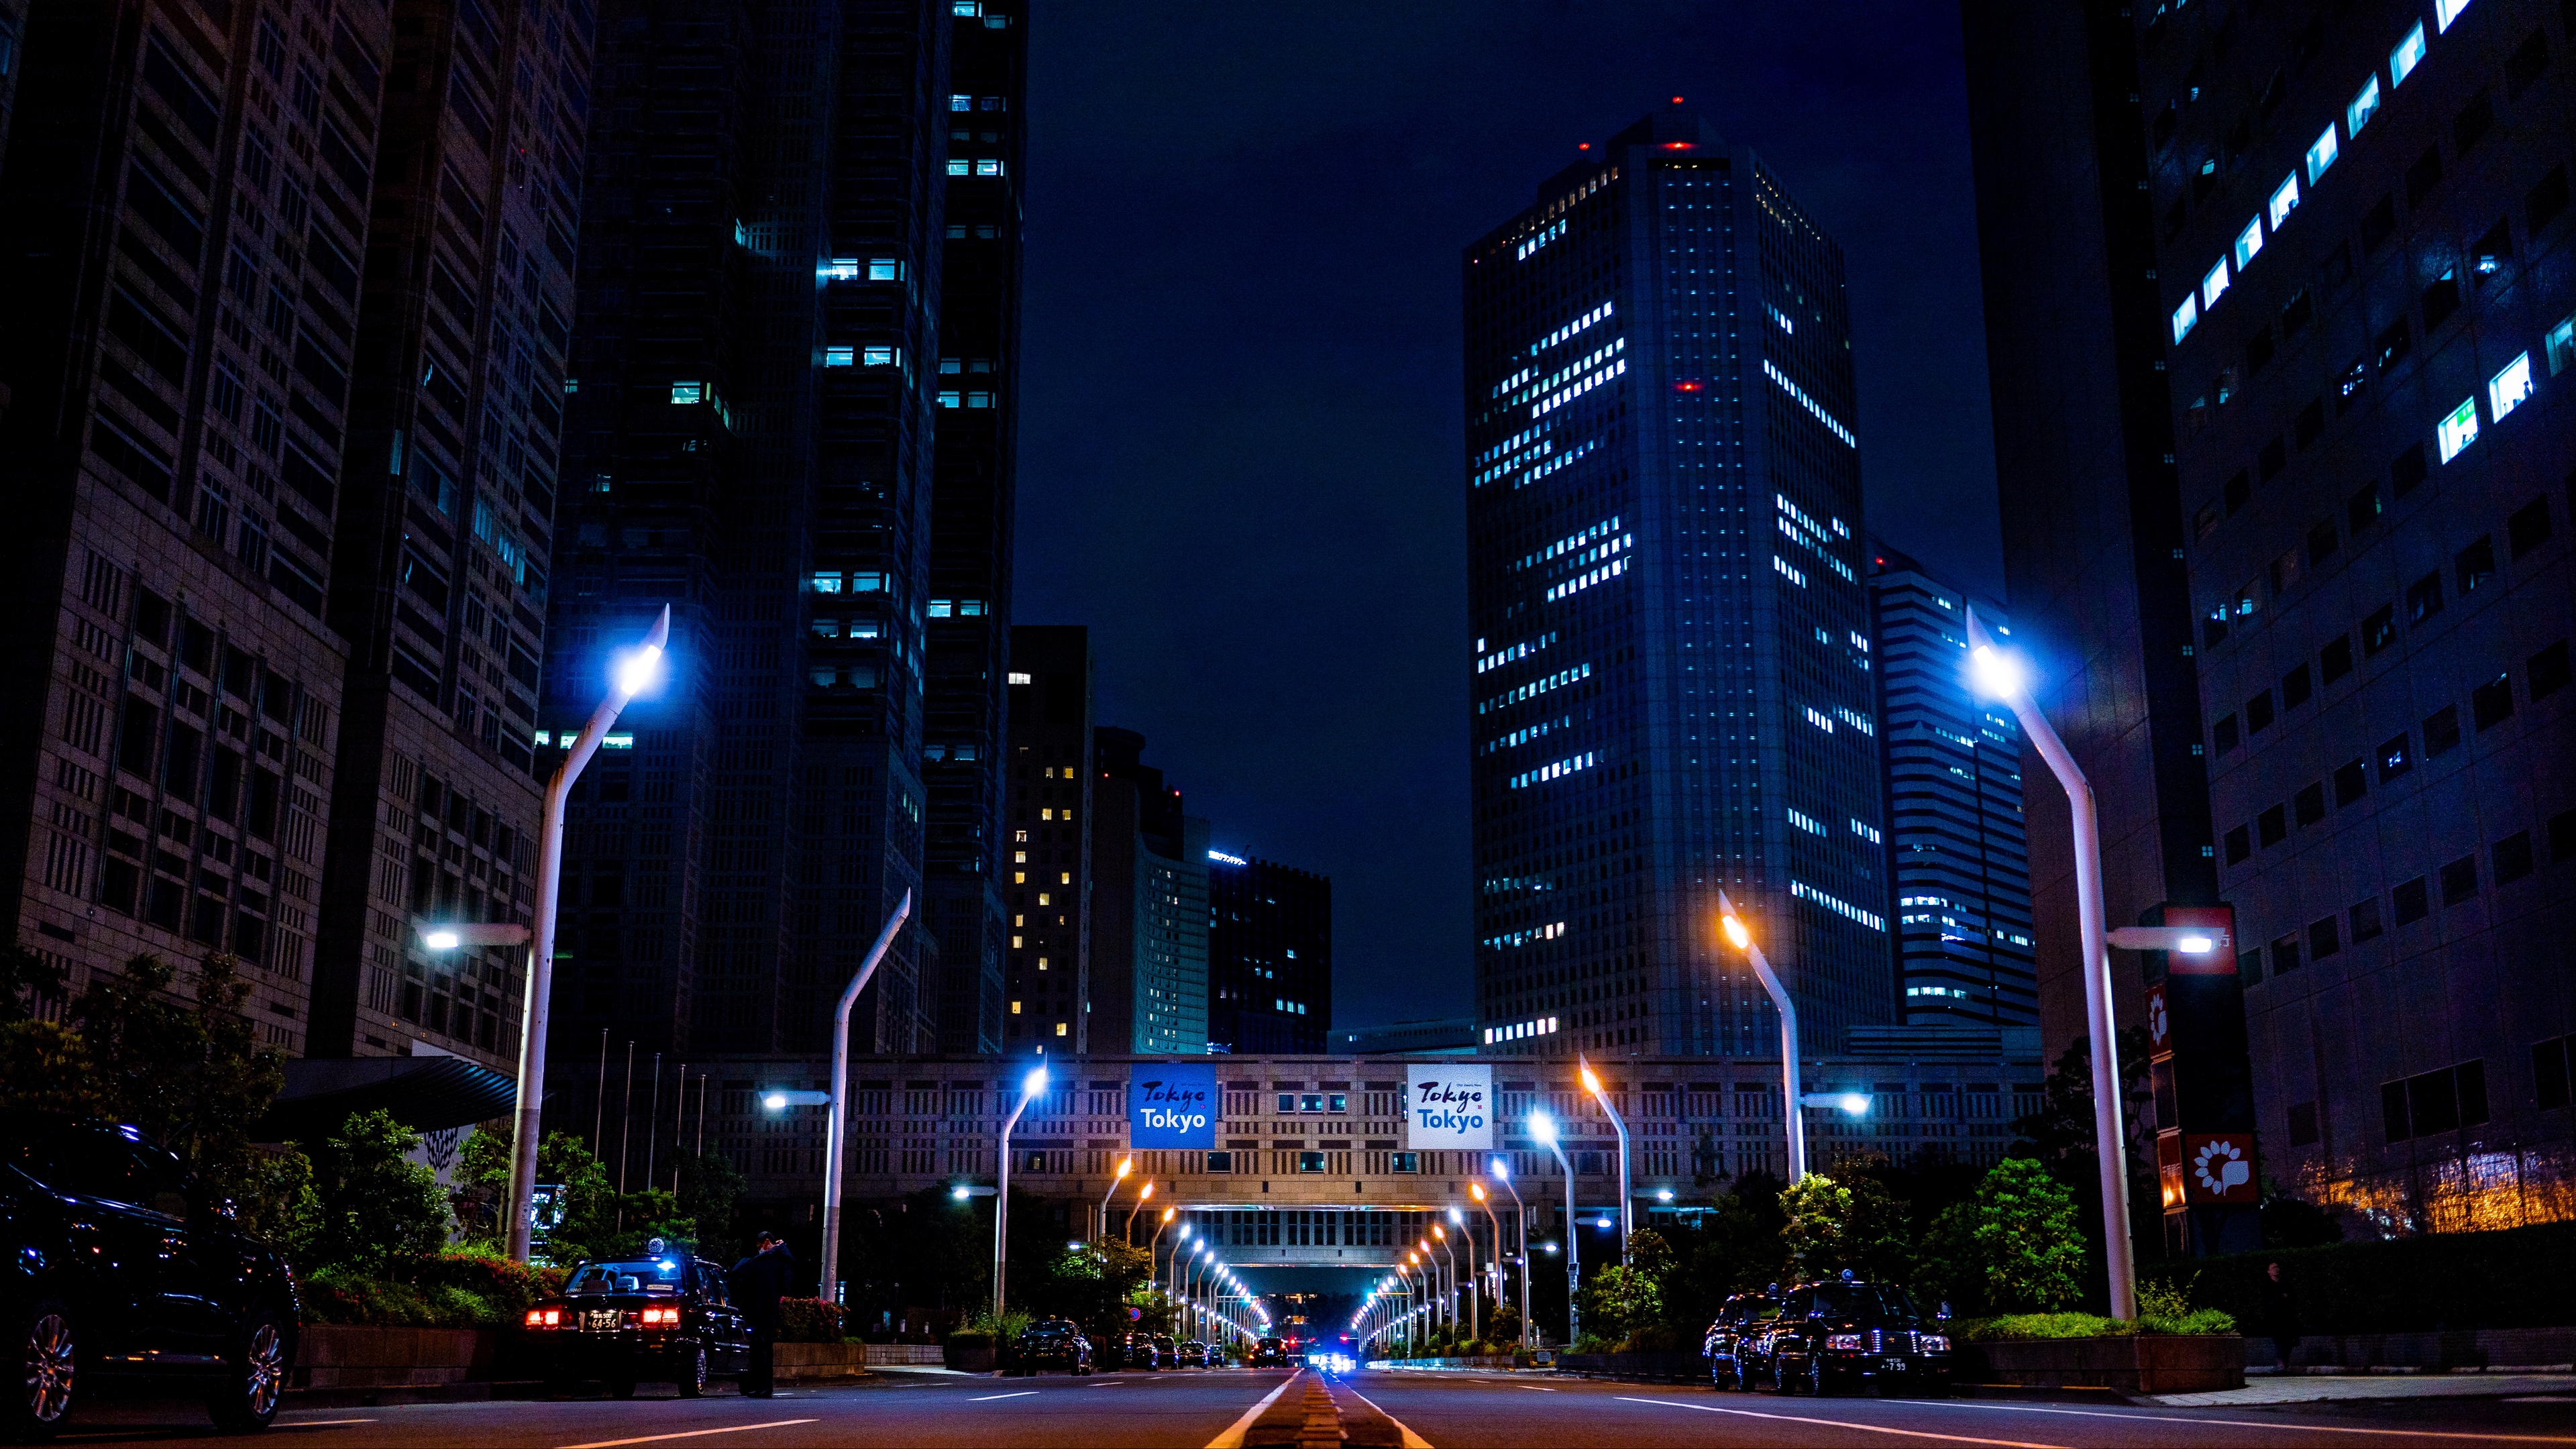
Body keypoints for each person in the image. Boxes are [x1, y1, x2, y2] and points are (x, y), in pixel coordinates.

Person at [731, 1231, 795, 1397]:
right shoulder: (783, 1259)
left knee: (759, 1347)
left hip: (762, 1308)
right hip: (771, 1308)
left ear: (766, 1242)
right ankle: (765, 1387)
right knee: (766, 1347)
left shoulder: (766, 1261)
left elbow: (739, 1271)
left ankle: (761, 1386)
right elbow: (786, 1284)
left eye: (760, 1245)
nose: (759, 1249)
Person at [2261, 1260, 2300, 1369]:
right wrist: (2281, 1298)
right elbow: (2269, 1300)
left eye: (2277, 1267)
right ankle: (2280, 1361)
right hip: (2275, 1317)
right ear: (2269, 1272)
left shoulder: (2285, 1283)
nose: (2276, 1269)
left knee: (2289, 1340)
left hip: (2287, 1316)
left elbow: (2291, 1296)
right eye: (2273, 1268)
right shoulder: (2267, 1285)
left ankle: (2285, 1361)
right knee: (2278, 1339)